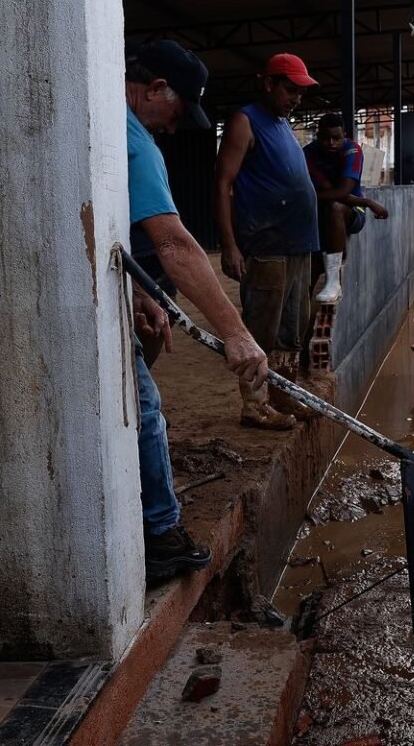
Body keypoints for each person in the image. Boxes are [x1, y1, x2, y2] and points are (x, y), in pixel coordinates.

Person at [122, 40, 270, 581]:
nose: (173, 125)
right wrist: (236, 334)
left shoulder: (107, 123)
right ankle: (160, 536)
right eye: (178, 110)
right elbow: (177, 244)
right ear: (157, 89)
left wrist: (139, 293)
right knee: (141, 410)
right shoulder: (134, 142)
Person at [215, 53, 322, 430]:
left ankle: (281, 392)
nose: (296, 98)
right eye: (290, 89)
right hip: (267, 244)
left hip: (297, 243)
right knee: (261, 327)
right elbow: (224, 184)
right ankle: (255, 405)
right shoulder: (246, 121)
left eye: (300, 92)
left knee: (292, 327)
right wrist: (229, 244)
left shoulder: (281, 125)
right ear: (268, 83)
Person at [303, 112, 389, 303]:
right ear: (318, 137)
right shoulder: (308, 154)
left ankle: (333, 281)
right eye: (326, 138)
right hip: (319, 216)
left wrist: (310, 197)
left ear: (345, 135)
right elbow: (330, 190)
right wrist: (368, 202)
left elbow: (343, 192)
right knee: (308, 274)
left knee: (334, 206)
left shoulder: (353, 150)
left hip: (351, 213)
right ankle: (300, 324)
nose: (332, 143)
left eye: (337, 138)